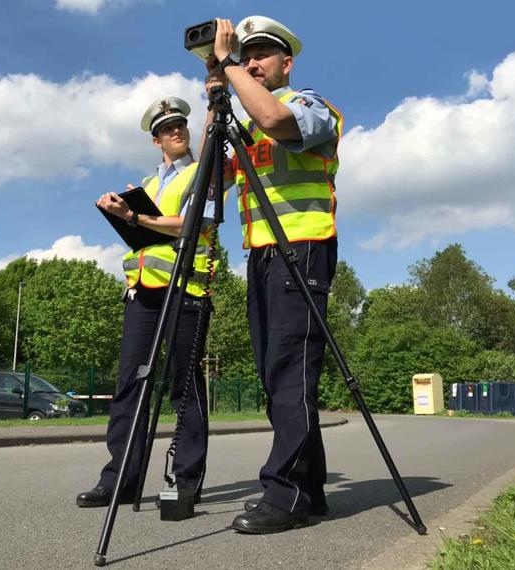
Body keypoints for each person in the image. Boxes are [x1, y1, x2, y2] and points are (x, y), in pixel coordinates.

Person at [204, 15, 343, 534]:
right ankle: (312, 491)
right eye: (248, 53)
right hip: (262, 256)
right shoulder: (246, 115)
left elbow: (277, 124)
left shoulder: (312, 106)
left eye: (262, 54)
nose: (253, 61)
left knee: (289, 374)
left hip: (302, 250)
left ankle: (284, 495)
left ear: (287, 63)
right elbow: (212, 180)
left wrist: (233, 65)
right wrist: (215, 98)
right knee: (276, 375)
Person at [75, 97, 212, 508]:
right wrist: (120, 210)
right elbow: (145, 231)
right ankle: (121, 480)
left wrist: (136, 218)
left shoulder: (201, 174)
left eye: (180, 125)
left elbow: (190, 224)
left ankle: (186, 482)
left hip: (186, 290)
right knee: (129, 386)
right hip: (142, 294)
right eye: (168, 128)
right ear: (156, 140)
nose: (177, 131)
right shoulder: (146, 187)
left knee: (184, 387)